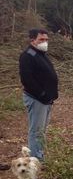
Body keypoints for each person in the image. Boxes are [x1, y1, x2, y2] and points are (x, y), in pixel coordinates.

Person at [18, 28, 58, 161]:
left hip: (46, 100)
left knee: (41, 131)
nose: (45, 42)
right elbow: (27, 80)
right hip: (37, 99)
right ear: (32, 40)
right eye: (41, 39)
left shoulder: (40, 54)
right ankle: (35, 159)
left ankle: (39, 155)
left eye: (46, 40)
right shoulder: (27, 56)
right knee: (36, 131)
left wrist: (52, 94)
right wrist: (42, 94)